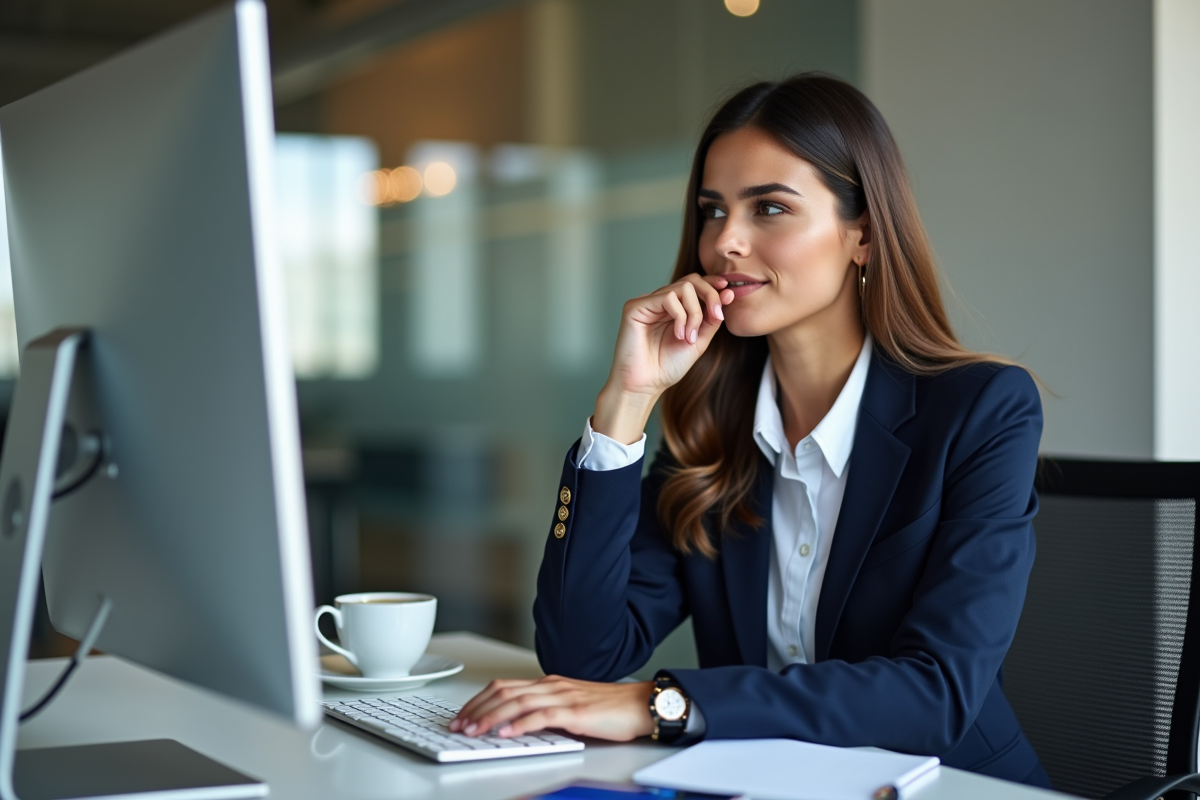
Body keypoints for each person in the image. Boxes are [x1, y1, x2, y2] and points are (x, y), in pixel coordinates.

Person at [450, 72, 1051, 788]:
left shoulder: (981, 410)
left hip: (947, 784)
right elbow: (582, 655)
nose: (725, 242)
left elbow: (937, 693)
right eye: (712, 211)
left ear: (861, 235)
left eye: (769, 208)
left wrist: (663, 704)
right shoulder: (712, 427)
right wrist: (627, 400)